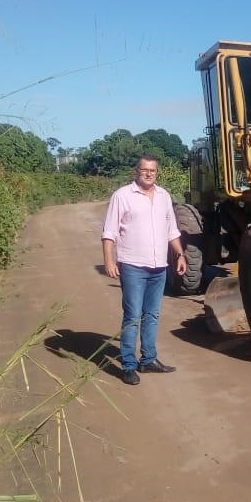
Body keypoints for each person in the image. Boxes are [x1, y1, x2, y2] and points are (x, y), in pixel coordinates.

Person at [101, 155, 186, 386]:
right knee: (132, 317)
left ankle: (148, 359)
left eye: (153, 170)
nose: (149, 173)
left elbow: (172, 230)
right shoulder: (122, 196)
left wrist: (179, 254)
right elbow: (109, 232)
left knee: (152, 315)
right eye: (144, 170)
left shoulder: (163, 196)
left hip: (159, 267)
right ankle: (128, 365)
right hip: (133, 267)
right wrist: (109, 261)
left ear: (157, 173)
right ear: (136, 171)